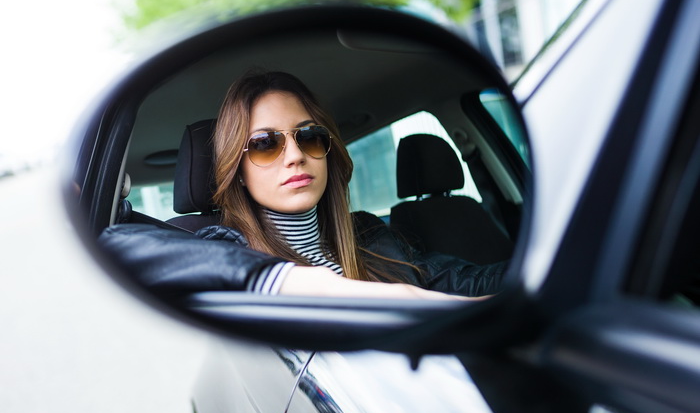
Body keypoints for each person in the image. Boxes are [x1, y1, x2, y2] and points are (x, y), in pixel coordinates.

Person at [99, 70, 506, 300]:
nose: (295, 155)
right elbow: (120, 243)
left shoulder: (372, 235)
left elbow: (474, 282)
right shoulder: (223, 248)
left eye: (309, 135)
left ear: (326, 149)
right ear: (237, 169)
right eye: (264, 144)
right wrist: (286, 279)